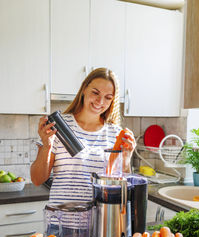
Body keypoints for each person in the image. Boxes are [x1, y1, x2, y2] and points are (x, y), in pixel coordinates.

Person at [31, 68, 136, 205]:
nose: (100, 101)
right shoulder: (59, 126)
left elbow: (121, 188)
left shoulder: (115, 134)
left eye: (108, 97)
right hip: (61, 221)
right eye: (95, 93)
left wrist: (126, 159)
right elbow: (37, 179)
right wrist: (47, 146)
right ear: (84, 89)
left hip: (99, 221)